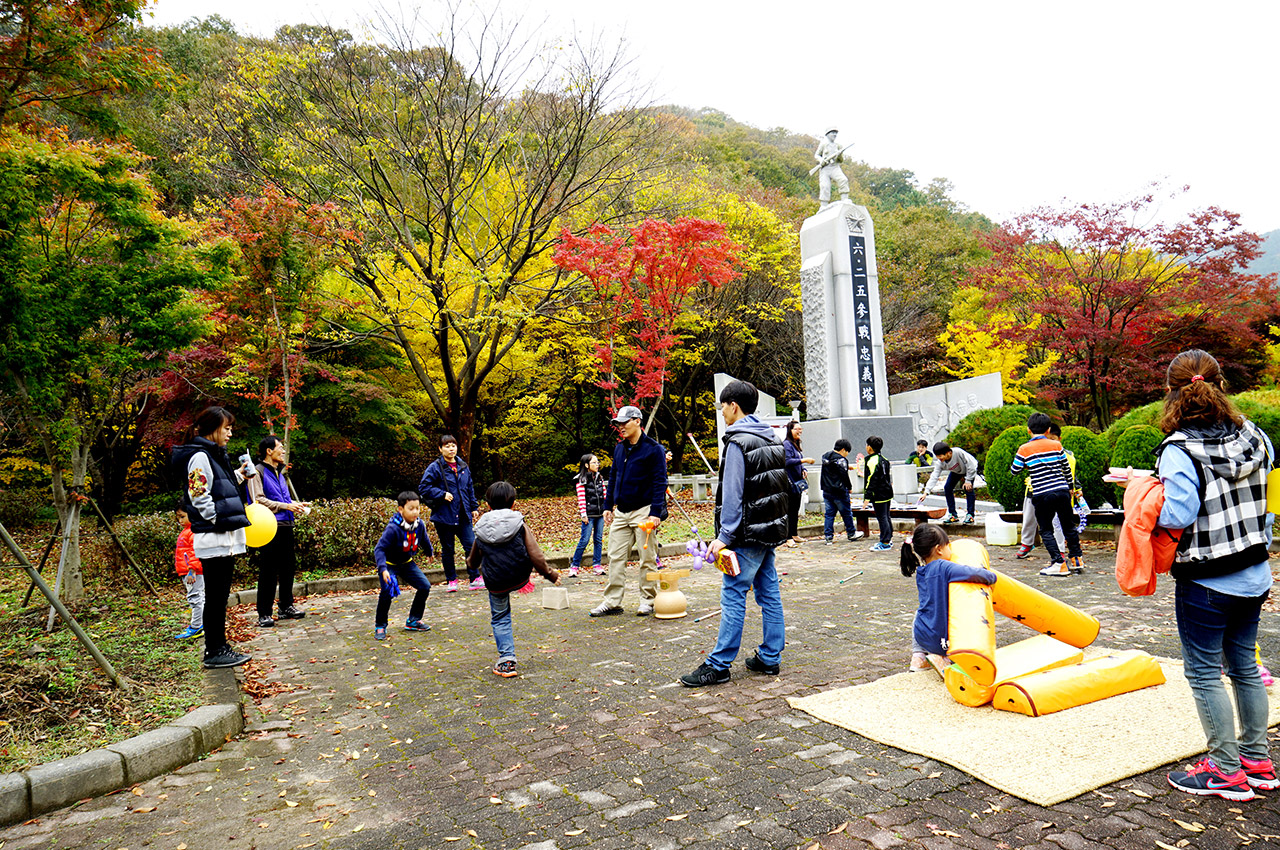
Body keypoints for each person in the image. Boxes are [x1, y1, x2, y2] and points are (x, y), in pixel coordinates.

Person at [1133, 350, 1275, 800]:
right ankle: (1258, 761)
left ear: (1172, 393)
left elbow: (1181, 511)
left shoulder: (1178, 448)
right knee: (1246, 668)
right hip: (1255, 572)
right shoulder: (1255, 436)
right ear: (1221, 385)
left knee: (1204, 673)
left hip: (1207, 580)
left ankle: (1224, 769)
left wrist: (1143, 494)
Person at [680, 380, 789, 687]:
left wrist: (724, 536)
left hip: (745, 534)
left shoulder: (738, 442)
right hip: (769, 531)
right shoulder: (772, 438)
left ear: (733, 406)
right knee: (769, 594)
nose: (722, 412)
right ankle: (770, 657)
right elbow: (781, 488)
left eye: (722, 406)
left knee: (733, 593)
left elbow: (733, 493)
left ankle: (719, 664)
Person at [169, 406, 253, 669]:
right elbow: (198, 494)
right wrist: (217, 519)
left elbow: (221, 487)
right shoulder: (200, 456)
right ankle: (214, 650)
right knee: (215, 599)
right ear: (213, 428)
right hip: (213, 538)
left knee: (218, 597)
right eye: (226, 428)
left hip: (222, 540)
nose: (230, 432)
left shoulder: (215, 455)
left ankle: (219, 645)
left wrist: (241, 474)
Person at [467, 481, 561, 678]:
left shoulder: (481, 527)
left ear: (488, 505)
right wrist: (550, 575)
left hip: (496, 581)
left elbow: (474, 561)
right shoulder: (520, 524)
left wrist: (469, 563)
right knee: (507, 598)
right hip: (519, 576)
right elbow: (536, 555)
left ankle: (507, 660)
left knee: (500, 617)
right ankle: (507, 658)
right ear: (513, 503)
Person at [590, 406, 668, 618]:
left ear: (637, 421)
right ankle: (613, 601)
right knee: (615, 557)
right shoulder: (619, 448)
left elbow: (660, 482)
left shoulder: (654, 449)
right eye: (618, 423)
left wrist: (655, 512)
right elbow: (613, 476)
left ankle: (648, 601)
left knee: (647, 558)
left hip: (644, 511)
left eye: (624, 423)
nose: (620, 427)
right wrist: (607, 506)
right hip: (622, 512)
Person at [899, 524, 997, 673]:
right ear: (939, 549)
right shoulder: (944, 567)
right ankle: (943, 658)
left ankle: (918, 657)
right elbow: (971, 573)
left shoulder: (922, 571)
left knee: (919, 613)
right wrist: (991, 576)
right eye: (948, 546)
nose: (951, 550)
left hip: (922, 634)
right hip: (941, 639)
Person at [1009, 413, 1084, 577]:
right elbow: (1066, 467)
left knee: (1046, 529)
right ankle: (1077, 559)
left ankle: (1059, 563)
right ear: (1048, 430)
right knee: (1068, 526)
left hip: (1042, 493)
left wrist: (1030, 465)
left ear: (1029, 430)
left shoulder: (1024, 449)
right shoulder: (1057, 446)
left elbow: (1014, 470)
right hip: (1063, 491)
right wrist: (1071, 487)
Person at [245, 435, 309, 627]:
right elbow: (258, 499)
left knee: (288, 567)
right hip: (268, 527)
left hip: (286, 525)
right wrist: (285, 506)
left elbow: (284, 501)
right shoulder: (256, 472)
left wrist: (296, 505)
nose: (283, 450)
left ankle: (286, 606)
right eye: (280, 447)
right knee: (269, 571)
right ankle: (264, 613)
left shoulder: (280, 473)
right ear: (269, 451)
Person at [418, 434, 481, 591]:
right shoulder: (435, 467)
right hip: (444, 516)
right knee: (448, 550)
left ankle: (475, 578)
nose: (451, 448)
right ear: (440, 449)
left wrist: (474, 507)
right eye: (447, 446)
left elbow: (469, 489)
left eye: (453, 445)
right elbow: (423, 488)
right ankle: (451, 580)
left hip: (463, 515)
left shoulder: (463, 466)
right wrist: (442, 494)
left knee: (470, 545)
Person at [373, 491, 435, 640]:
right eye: (411, 508)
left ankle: (413, 620)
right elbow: (379, 549)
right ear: (400, 509)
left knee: (424, 586)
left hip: (407, 563)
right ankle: (380, 625)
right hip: (389, 565)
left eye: (417, 508)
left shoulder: (419, 525)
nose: (415, 512)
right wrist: (383, 569)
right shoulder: (393, 529)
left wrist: (429, 552)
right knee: (387, 592)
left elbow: (424, 539)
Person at [1015, 422, 1071, 560]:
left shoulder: (1062, 452)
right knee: (1029, 518)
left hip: (1054, 491)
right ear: (1046, 431)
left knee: (1055, 524)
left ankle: (1060, 550)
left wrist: (1074, 487)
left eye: (1053, 439)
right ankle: (1027, 543)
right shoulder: (1029, 449)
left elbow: (1070, 471)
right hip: (1035, 490)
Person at [920, 442, 978, 524]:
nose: (940, 459)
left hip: (969, 470)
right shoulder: (940, 462)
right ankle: (953, 515)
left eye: (941, 456)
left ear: (949, 453)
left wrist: (968, 480)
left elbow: (972, 464)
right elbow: (934, 476)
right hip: (956, 472)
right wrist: (926, 492)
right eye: (937, 457)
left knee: (968, 489)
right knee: (947, 488)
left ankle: (970, 515)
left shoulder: (958, 452)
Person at [569, 454, 607, 578]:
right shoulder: (581, 479)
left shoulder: (599, 477)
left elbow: (604, 495)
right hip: (589, 515)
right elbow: (581, 498)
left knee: (598, 540)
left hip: (600, 513)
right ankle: (574, 566)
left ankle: (597, 565)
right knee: (584, 540)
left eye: (597, 462)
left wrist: (607, 509)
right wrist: (583, 514)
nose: (597, 465)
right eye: (594, 463)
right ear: (587, 465)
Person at [819, 439, 863, 544]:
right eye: (847, 452)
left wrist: (847, 467)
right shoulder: (841, 460)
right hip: (839, 491)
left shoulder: (826, 456)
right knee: (846, 513)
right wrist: (849, 487)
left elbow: (833, 467)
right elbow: (844, 475)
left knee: (829, 514)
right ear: (843, 450)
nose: (846, 455)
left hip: (827, 489)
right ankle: (851, 533)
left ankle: (828, 537)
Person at [172, 504, 204, 641]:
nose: (180, 520)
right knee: (199, 597)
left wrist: (192, 569)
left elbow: (194, 552)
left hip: (192, 573)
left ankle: (197, 626)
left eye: (183, 517)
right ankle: (201, 624)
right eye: (178, 518)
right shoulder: (187, 531)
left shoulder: (192, 532)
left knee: (195, 598)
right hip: (188, 571)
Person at [782, 420, 815, 547]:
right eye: (796, 429)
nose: (799, 431)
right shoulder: (787, 445)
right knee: (790, 510)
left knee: (795, 509)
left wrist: (804, 469)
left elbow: (797, 463)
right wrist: (804, 460)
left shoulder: (795, 445)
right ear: (790, 430)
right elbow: (787, 462)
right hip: (789, 483)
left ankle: (794, 534)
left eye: (801, 429)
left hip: (797, 482)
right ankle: (788, 537)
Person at [863, 435, 894, 552]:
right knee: (886, 516)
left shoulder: (872, 461)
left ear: (870, 447)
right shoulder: (884, 459)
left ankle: (885, 542)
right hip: (887, 492)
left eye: (867, 445)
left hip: (878, 494)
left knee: (882, 517)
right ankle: (888, 539)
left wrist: (867, 497)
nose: (866, 447)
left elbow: (872, 480)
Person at [813, 127, 850, 207]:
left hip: (835, 167)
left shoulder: (838, 146)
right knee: (825, 186)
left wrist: (839, 155)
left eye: (835, 133)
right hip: (825, 169)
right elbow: (816, 155)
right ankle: (823, 205)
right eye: (832, 132)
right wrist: (821, 160)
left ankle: (844, 199)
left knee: (843, 180)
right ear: (827, 134)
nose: (834, 134)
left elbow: (841, 160)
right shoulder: (823, 144)